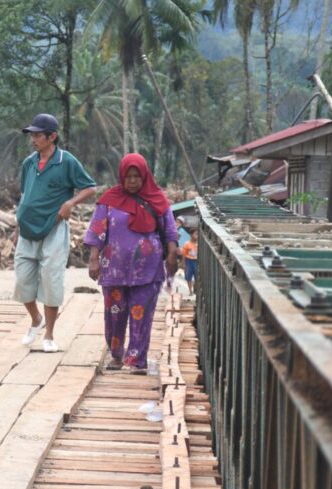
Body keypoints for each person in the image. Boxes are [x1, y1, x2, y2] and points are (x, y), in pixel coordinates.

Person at [84, 153, 179, 372]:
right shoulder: (109, 200)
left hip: (148, 270)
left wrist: (172, 255)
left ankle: (136, 360)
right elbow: (97, 230)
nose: (133, 181)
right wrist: (93, 259)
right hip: (114, 269)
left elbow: (170, 230)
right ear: (122, 176)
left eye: (137, 176)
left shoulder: (157, 199)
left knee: (141, 314)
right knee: (115, 314)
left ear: (145, 176)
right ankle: (117, 356)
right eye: (129, 176)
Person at [14, 114, 97, 352]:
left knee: (51, 280)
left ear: (52, 136)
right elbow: (25, 196)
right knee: (22, 281)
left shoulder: (66, 161)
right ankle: (36, 319)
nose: (33, 139)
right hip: (27, 230)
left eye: (38, 135)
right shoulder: (28, 163)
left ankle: (49, 335)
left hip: (53, 228)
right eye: (32, 135)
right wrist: (17, 227)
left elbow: (90, 186)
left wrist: (70, 203)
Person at [181, 231, 199, 297]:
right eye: (195, 234)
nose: (197, 236)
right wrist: (183, 263)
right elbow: (184, 254)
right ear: (191, 235)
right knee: (188, 277)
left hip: (196, 261)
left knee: (197, 276)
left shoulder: (199, 244)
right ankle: (190, 291)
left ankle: (195, 287)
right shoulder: (187, 244)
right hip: (189, 261)